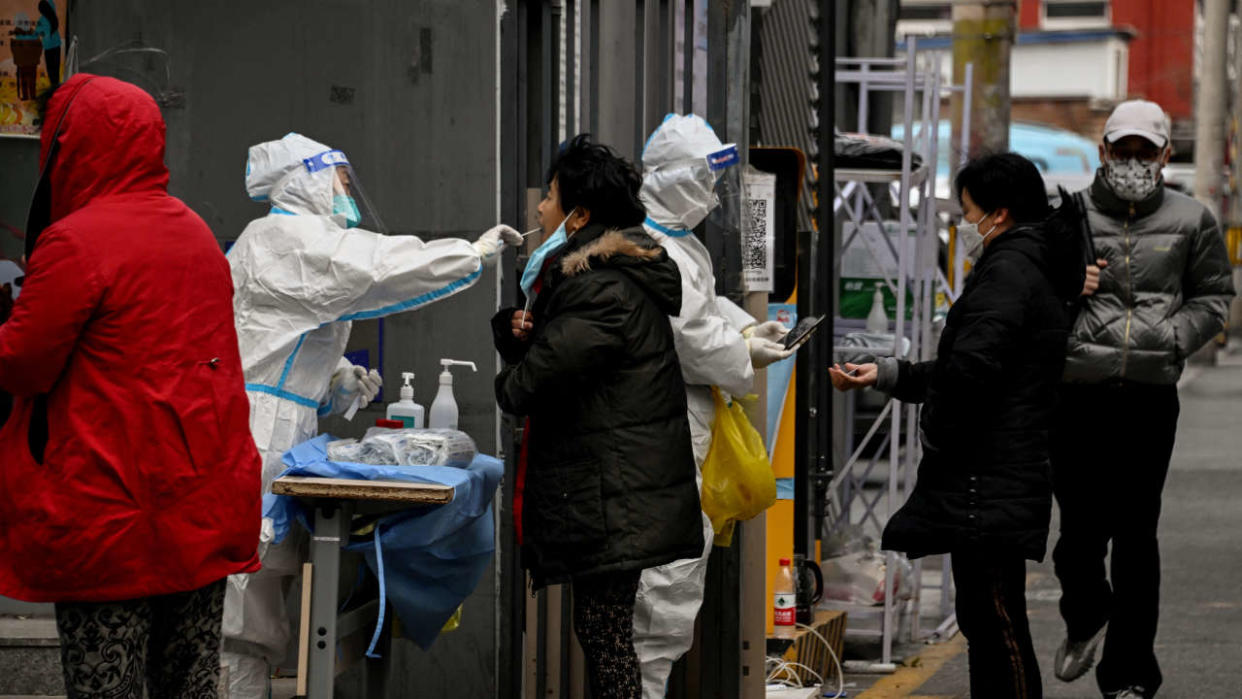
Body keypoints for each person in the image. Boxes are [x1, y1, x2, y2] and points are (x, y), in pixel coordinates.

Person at [223, 132, 522, 698]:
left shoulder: (290, 241)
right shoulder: (285, 238)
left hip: (276, 426)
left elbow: (275, 337)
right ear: (305, 179)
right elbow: (376, 266)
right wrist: (469, 253)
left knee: (267, 587)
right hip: (253, 431)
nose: (344, 189)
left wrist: (328, 380)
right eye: (336, 177)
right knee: (246, 601)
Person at [0, 74, 262, 697]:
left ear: (72, 147)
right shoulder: (197, 234)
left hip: (110, 520)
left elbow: (22, 365)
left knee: (107, 687)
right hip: (201, 508)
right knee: (189, 683)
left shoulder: (77, 241)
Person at [830, 153, 1086, 698]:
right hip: (1001, 470)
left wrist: (938, 431)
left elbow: (970, 371)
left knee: (995, 620)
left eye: (967, 213)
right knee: (987, 618)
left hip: (988, 474)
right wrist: (887, 375)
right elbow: (969, 365)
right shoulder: (1026, 264)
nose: (963, 226)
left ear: (999, 213)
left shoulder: (1008, 273)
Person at [492, 135, 703, 699]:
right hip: (616, 489)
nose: (539, 208)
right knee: (604, 630)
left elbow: (530, 385)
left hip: (616, 494)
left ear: (580, 215)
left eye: (551, 196)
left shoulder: (600, 288)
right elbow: (562, 361)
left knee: (605, 632)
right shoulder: (608, 280)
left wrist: (513, 365)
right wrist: (518, 333)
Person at [1050, 100, 1235, 699]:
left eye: (1143, 151)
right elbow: (1028, 293)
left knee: (1136, 534)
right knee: (1079, 532)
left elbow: (1213, 295)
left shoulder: (1193, 220)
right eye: (1121, 149)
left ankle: (1130, 675)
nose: (1132, 162)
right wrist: (1066, 289)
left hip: (1150, 398)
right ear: (1102, 151)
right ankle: (1086, 614)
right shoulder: (1066, 215)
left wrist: (1171, 339)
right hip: (1076, 394)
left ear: (1164, 155)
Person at [632, 114, 791, 697]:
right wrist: (746, 353)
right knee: (661, 589)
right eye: (703, 177)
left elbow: (705, 309)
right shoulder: (655, 246)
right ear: (671, 177)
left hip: (681, 429)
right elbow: (693, 339)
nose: (712, 192)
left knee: (672, 586)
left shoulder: (675, 241)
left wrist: (748, 329)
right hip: (666, 431)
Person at [35, 1, 60, 88]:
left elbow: (36, 33)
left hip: (48, 47)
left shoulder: (41, 20)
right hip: (57, 46)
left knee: (50, 70)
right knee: (56, 70)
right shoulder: (54, 18)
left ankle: (53, 88)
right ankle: (56, 87)